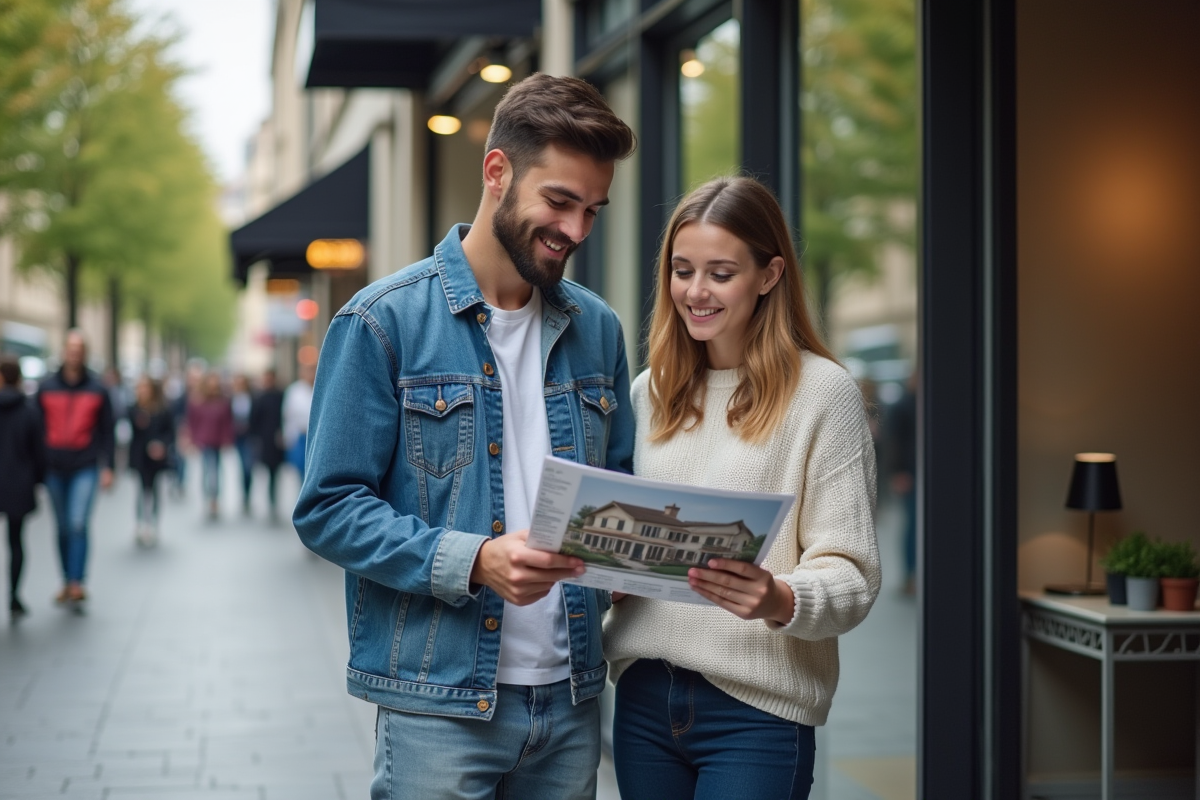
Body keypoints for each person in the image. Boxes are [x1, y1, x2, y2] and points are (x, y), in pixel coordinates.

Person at [293, 74, 636, 800]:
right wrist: (473, 559)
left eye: (593, 211)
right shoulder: (381, 322)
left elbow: (619, 492)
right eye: (560, 202)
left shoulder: (598, 329)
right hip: (436, 708)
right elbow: (327, 509)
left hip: (573, 702)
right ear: (497, 172)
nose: (576, 230)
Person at [602, 177, 882, 800]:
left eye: (720, 273)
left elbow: (854, 577)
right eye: (681, 270)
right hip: (644, 698)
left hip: (757, 713)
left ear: (769, 274)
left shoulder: (822, 395)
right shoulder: (649, 393)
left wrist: (778, 597)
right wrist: (606, 567)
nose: (694, 292)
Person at [36, 330, 115, 606]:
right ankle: (65, 580)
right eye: (70, 347)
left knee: (78, 523)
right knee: (62, 527)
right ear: (63, 351)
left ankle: (76, 582)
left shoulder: (97, 389)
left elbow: (108, 430)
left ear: (85, 353)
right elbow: (36, 429)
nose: (74, 353)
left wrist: (109, 467)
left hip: (85, 464)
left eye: (79, 348)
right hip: (54, 466)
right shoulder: (46, 388)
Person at [0, 356, 46, 619]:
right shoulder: (29, 410)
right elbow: (38, 452)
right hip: (19, 483)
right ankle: (14, 596)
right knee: (16, 542)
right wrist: (38, 480)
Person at [128, 376, 175, 546]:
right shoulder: (133, 408)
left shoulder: (162, 409)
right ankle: (140, 524)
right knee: (141, 490)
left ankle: (153, 524)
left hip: (157, 458)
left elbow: (170, 432)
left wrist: (161, 445)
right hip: (139, 457)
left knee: (155, 490)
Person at [187, 372, 233, 520]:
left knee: (215, 470)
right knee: (208, 470)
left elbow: (227, 423)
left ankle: (214, 498)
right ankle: (209, 497)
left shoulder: (223, 402)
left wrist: (227, 440)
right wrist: (192, 440)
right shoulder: (198, 402)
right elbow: (192, 423)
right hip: (204, 441)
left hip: (217, 442)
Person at [248, 368, 285, 520]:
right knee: (269, 471)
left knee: (275, 472)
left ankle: (273, 500)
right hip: (265, 440)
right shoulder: (260, 397)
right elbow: (253, 420)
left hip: (277, 440)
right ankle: (270, 500)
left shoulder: (280, 395)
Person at [281, 363, 314, 481]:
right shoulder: (294, 391)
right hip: (300, 436)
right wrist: (287, 435)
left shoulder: (319, 389)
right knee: (301, 468)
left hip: (315, 436)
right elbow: (288, 415)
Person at [230, 374, 254, 514]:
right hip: (237, 437)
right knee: (241, 466)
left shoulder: (252, 397)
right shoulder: (231, 398)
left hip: (249, 437)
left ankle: (247, 494)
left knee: (247, 467)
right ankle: (243, 495)